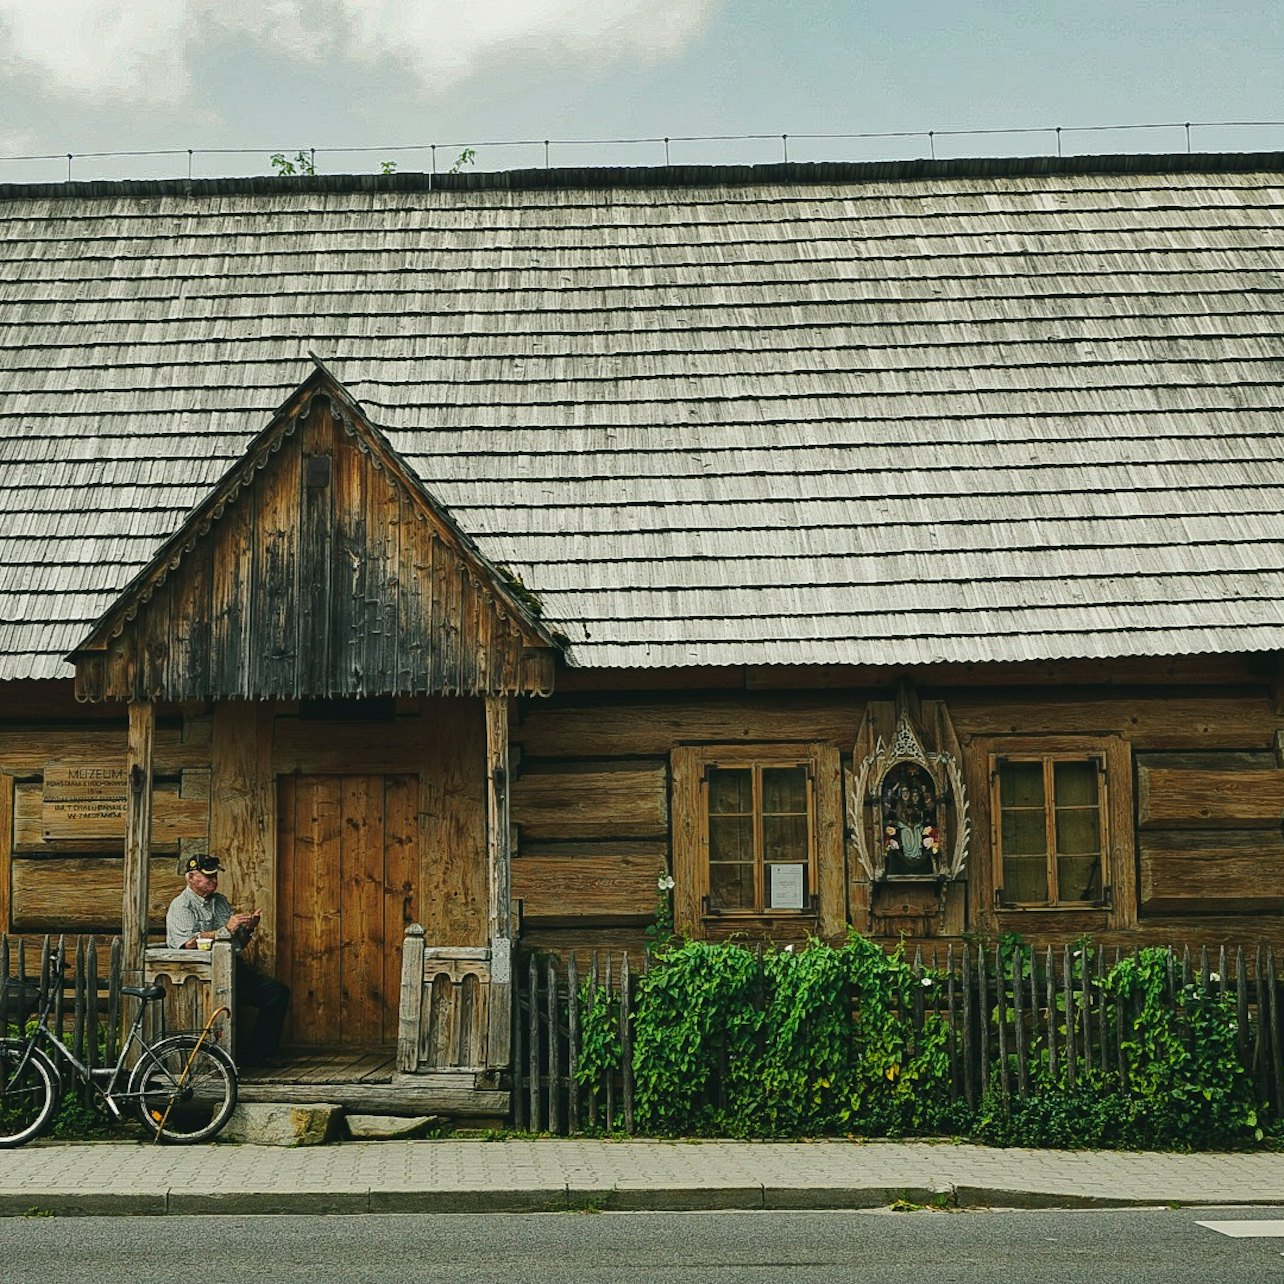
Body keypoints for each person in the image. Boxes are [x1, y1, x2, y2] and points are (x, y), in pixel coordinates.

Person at [165, 852, 290, 1070]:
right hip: (201, 977)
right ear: (191, 877)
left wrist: (248, 929)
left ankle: (260, 1055)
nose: (213, 880)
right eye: (208, 877)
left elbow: (237, 942)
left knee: (276, 992)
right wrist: (226, 929)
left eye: (215, 876)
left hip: (232, 969)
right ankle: (220, 1065)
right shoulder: (181, 906)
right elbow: (188, 944)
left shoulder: (219, 901)